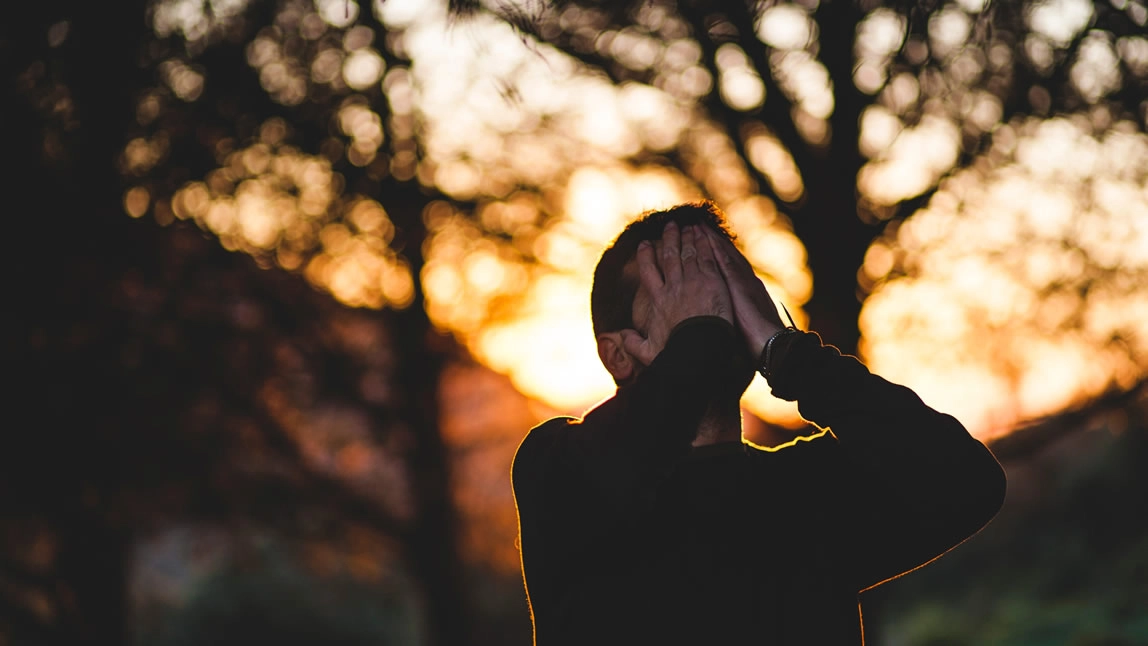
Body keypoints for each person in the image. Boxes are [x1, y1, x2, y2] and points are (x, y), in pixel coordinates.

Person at [511, 201, 1006, 645]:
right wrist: (698, 338)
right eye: (680, 291)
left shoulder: (813, 489)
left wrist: (786, 351)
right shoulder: (557, 467)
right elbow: (630, 454)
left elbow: (968, 481)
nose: (713, 308)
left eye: (724, 284)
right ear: (617, 355)